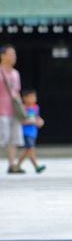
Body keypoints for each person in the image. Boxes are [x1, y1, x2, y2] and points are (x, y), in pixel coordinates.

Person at [0, 44, 26, 174]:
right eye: (10, 54)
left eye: (14, 54)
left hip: (14, 111)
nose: (13, 57)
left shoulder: (16, 74)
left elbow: (17, 92)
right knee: (2, 137)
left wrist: (22, 111)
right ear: (2, 56)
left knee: (13, 139)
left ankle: (12, 164)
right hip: (1, 111)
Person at [16, 89, 45, 174]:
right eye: (30, 97)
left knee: (27, 150)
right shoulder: (22, 108)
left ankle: (17, 165)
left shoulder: (36, 107)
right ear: (24, 98)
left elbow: (37, 117)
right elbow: (21, 120)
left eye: (34, 97)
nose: (33, 99)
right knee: (30, 149)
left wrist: (40, 121)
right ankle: (36, 166)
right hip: (26, 132)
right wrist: (29, 121)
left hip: (33, 132)